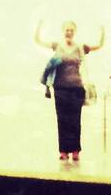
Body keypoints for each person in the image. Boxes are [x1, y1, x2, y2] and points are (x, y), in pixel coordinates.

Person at [34, 16, 105, 163]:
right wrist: (39, 26)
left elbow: (99, 45)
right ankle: (63, 151)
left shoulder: (80, 47)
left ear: (75, 32)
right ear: (63, 31)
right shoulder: (57, 46)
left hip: (77, 89)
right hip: (60, 88)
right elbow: (38, 41)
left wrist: (102, 30)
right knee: (62, 120)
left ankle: (75, 151)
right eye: (66, 30)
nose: (69, 32)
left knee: (75, 121)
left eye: (71, 30)